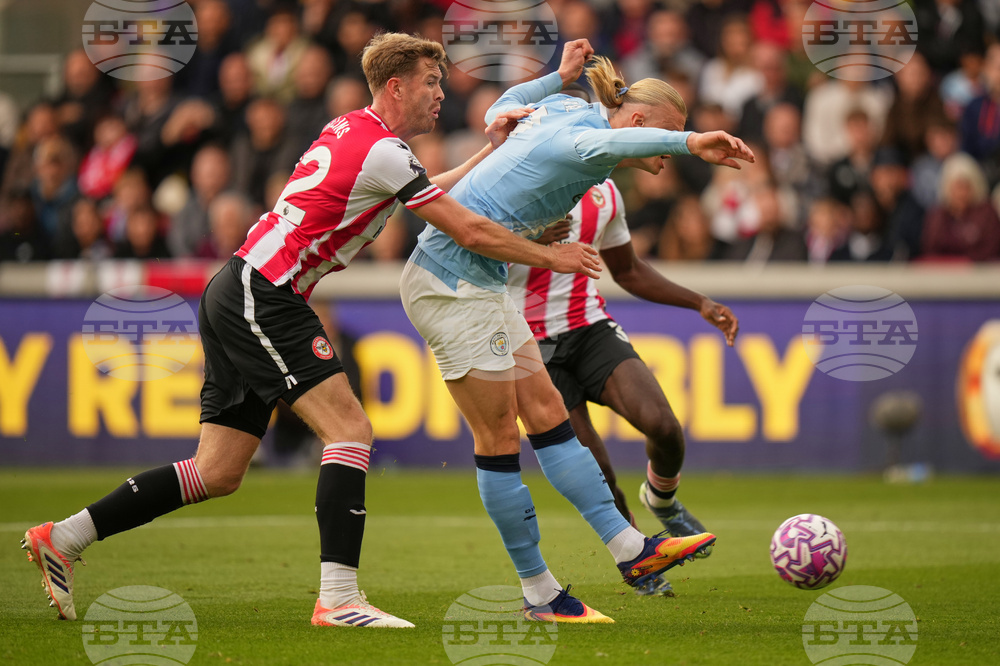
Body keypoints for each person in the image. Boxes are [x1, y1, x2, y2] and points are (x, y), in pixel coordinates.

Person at [22, 32, 601, 630]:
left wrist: (486, 153)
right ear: (397, 86)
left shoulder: (357, 129)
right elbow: (468, 231)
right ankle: (340, 599)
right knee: (349, 429)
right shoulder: (385, 152)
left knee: (216, 472)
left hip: (242, 287)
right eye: (431, 81)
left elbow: (419, 194)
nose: (440, 93)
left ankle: (62, 537)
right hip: (264, 294)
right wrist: (550, 257)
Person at [401, 41, 753, 622]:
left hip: (479, 283)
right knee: (499, 442)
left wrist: (553, 78)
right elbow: (616, 142)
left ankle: (633, 551)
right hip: (450, 283)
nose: (658, 156)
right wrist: (692, 143)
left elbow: (503, 108)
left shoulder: (565, 106)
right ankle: (540, 593)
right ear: (639, 122)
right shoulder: (589, 141)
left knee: (548, 419)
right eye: (658, 137)